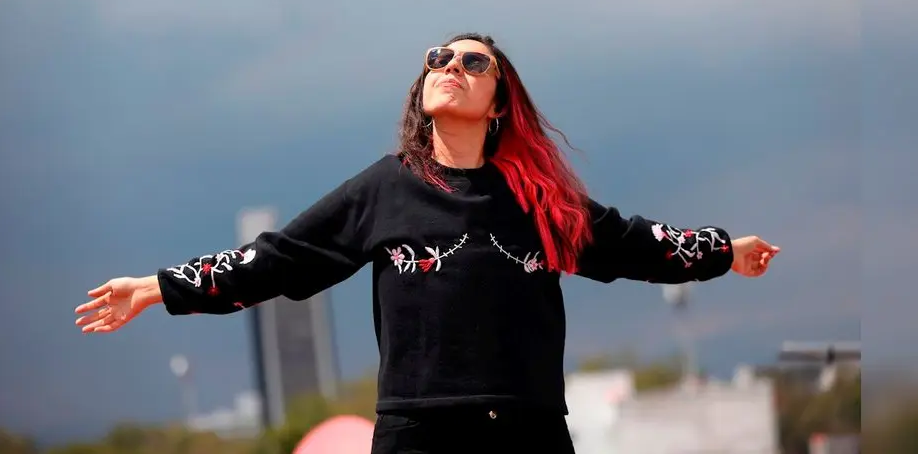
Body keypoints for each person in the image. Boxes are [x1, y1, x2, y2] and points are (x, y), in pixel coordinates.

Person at [75, 33, 780, 454]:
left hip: (529, 434)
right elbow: (281, 259)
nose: (450, 66)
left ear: (499, 101)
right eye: (439, 58)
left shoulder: (539, 201)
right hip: (419, 435)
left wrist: (724, 249)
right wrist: (159, 287)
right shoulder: (385, 188)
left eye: (473, 63)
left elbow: (630, 243)